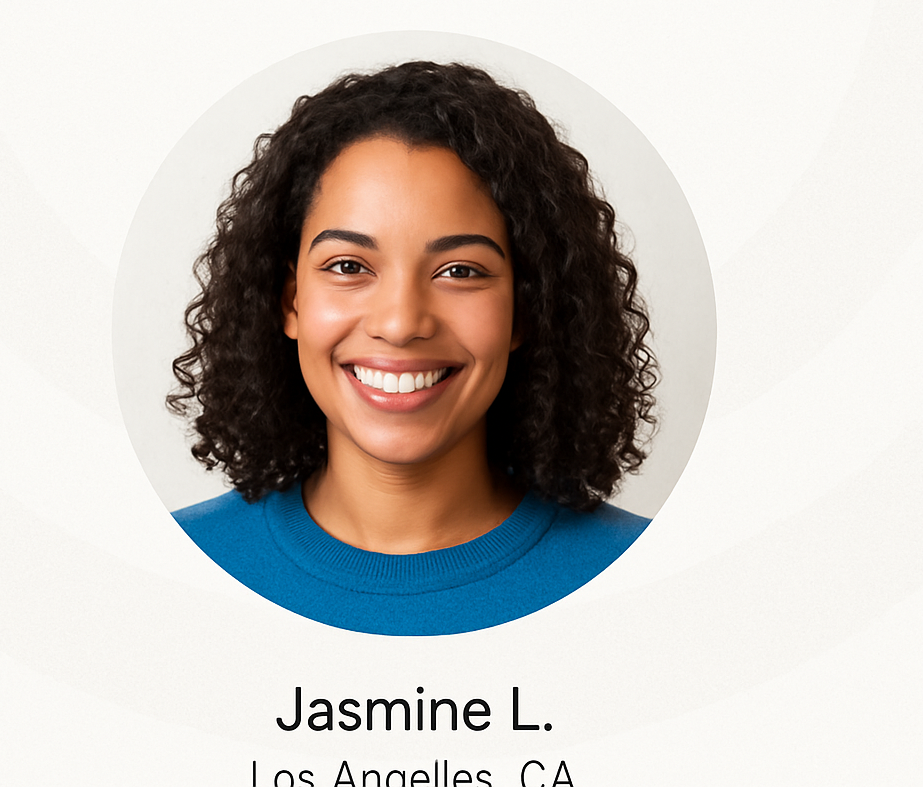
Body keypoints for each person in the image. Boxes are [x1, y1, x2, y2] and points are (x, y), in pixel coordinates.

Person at [168, 60, 658, 634]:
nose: (400, 324)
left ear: (525, 310)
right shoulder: (168, 573)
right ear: (291, 302)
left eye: (460, 271)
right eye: (349, 266)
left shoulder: (654, 582)